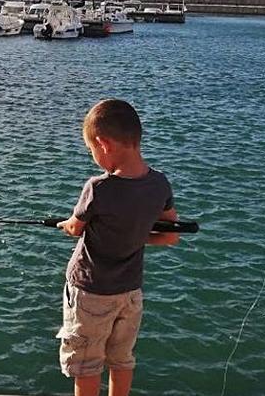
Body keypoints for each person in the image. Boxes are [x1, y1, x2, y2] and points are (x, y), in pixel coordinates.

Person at [57, 99, 180, 396]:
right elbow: (170, 234)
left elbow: (76, 227)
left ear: (104, 143)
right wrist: (138, 236)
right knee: (121, 360)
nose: (94, 156)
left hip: (90, 293)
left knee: (86, 364)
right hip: (129, 294)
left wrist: (65, 224)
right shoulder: (160, 184)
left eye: (92, 150)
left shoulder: (99, 188)